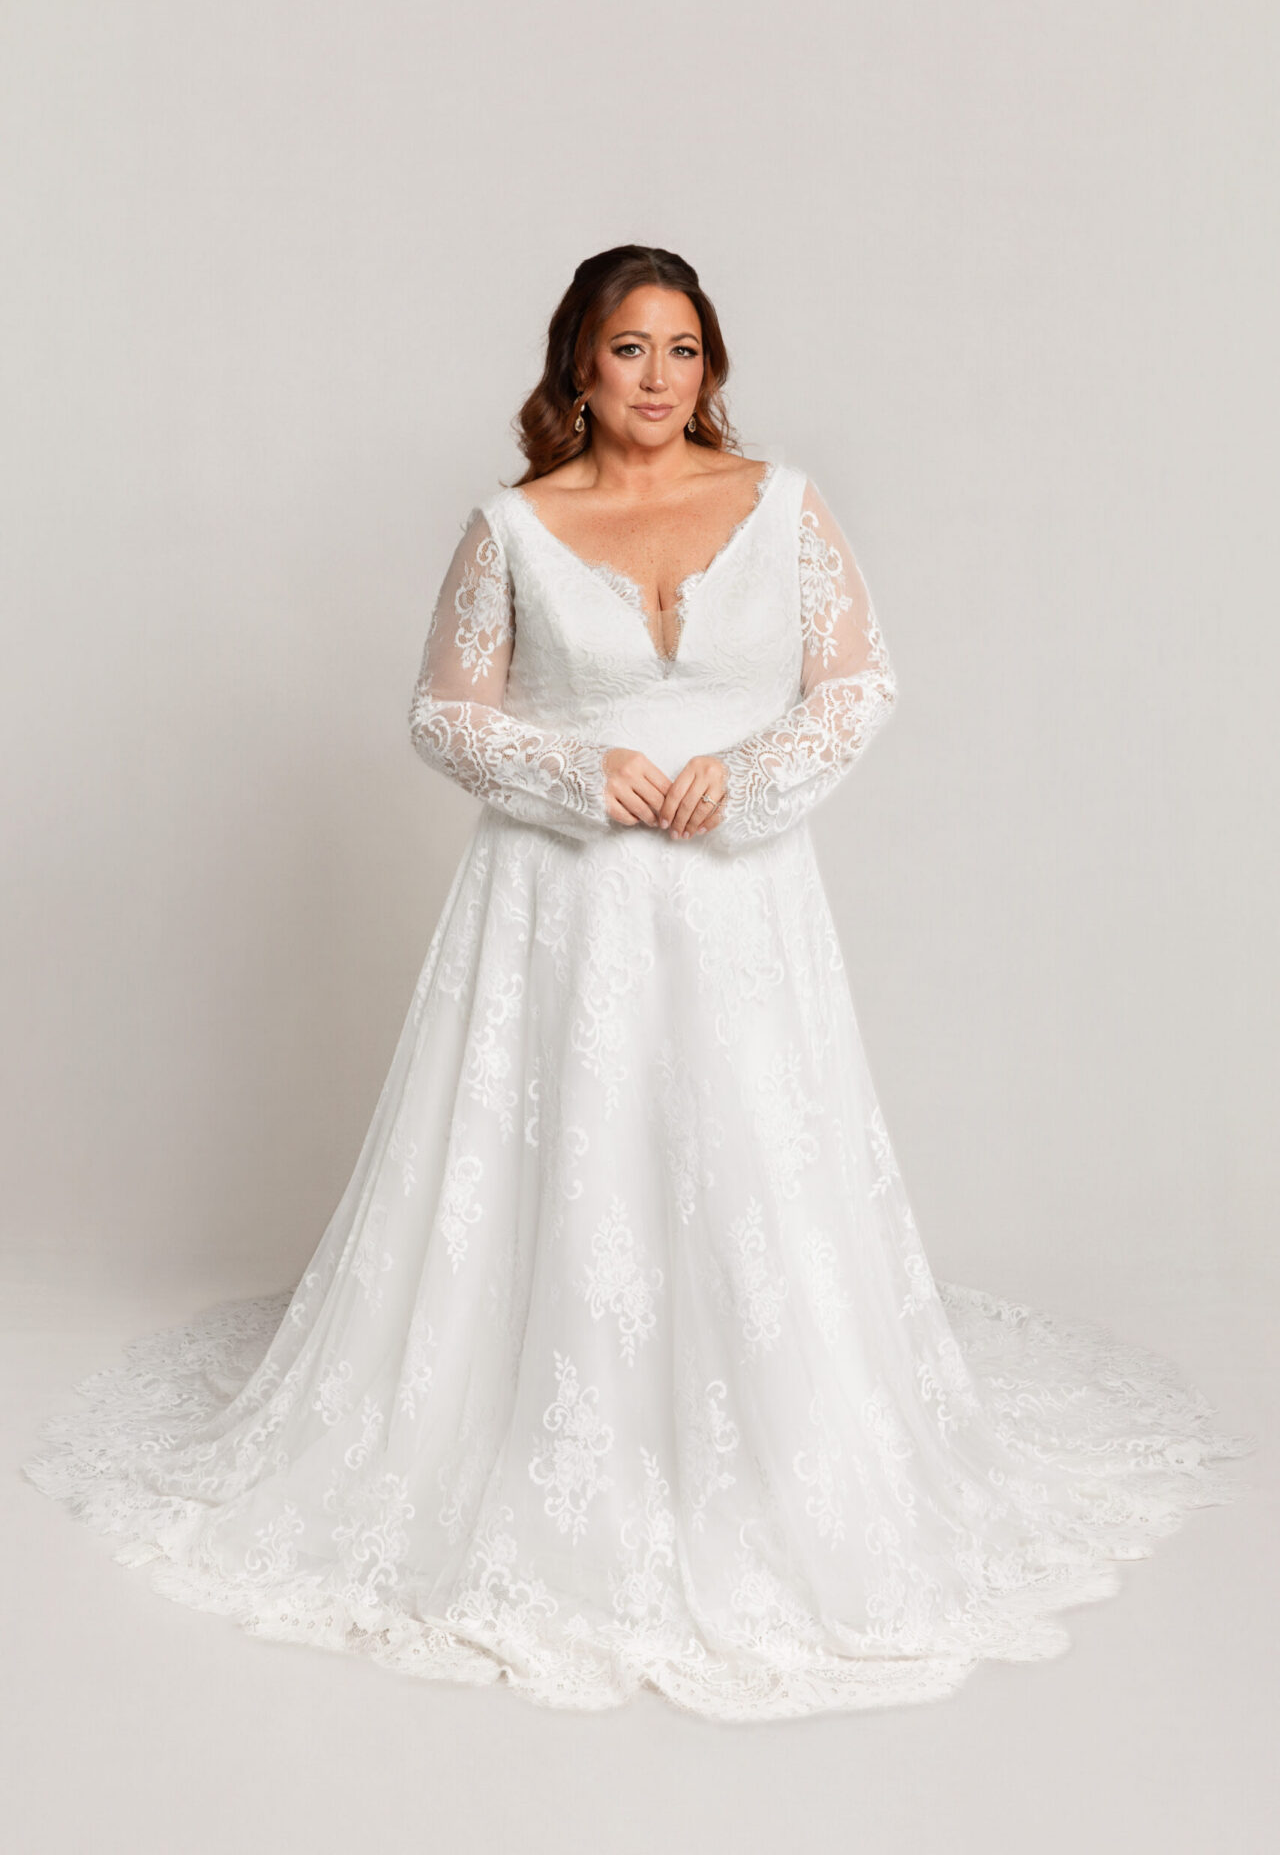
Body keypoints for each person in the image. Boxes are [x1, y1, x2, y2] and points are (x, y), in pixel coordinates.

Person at [24, 244, 1254, 1723]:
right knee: (577, 1166)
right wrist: (576, 773)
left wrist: (748, 774)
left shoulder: (781, 506)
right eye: (629, 350)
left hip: (740, 906)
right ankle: (561, 1449)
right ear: (578, 367)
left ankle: (771, 1454)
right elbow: (442, 715)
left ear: (710, 365)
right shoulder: (513, 527)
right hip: (564, 908)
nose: (659, 378)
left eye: (683, 349)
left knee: (746, 1159)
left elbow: (859, 683)